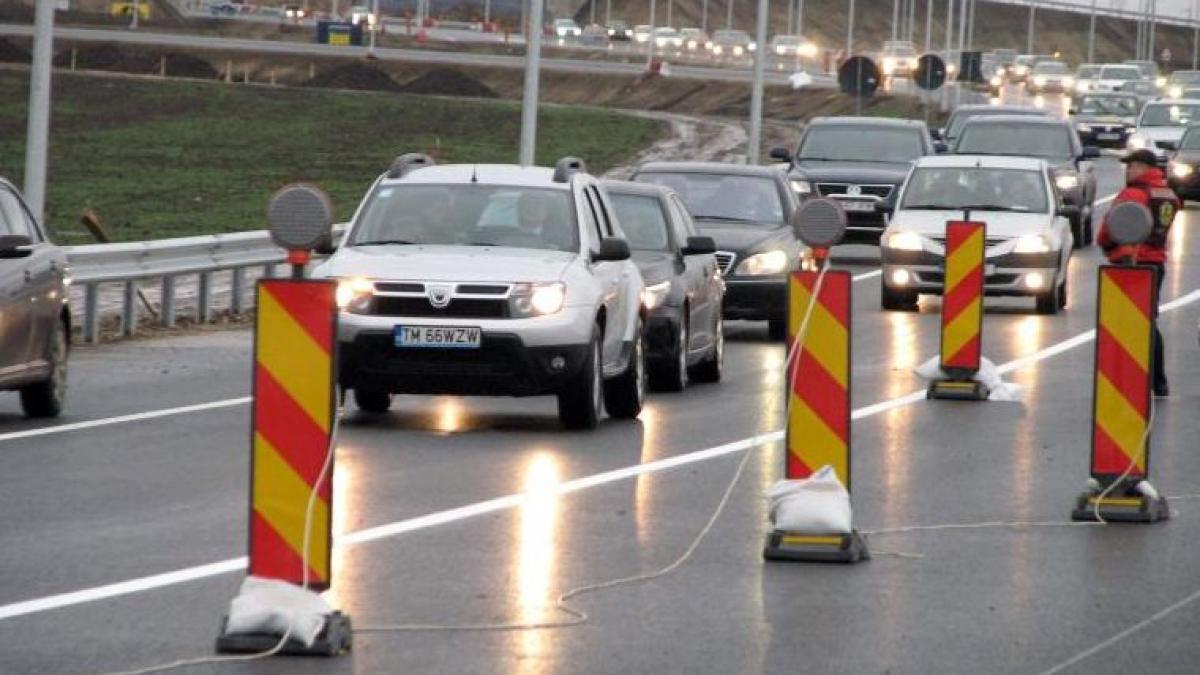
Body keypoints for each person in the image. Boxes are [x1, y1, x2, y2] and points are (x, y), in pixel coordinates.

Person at [1096, 148, 1179, 397]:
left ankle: (1122, 380)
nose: (1128, 171)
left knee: (1122, 325)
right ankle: (1159, 381)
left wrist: (1108, 247)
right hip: (1156, 264)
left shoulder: (1133, 193)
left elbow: (1110, 227)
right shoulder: (1166, 194)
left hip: (1130, 262)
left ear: (1143, 167)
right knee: (1149, 321)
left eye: (1131, 166)